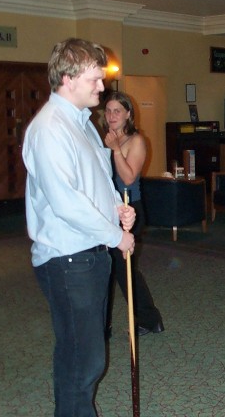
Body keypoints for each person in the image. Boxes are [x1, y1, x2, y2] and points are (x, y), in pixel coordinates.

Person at [22, 38, 136, 416]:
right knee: (81, 361)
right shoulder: (49, 129)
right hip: (68, 259)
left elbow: (96, 182)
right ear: (68, 79)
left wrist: (118, 210)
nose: (102, 87)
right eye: (94, 79)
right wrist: (116, 236)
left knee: (88, 357)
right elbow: (66, 202)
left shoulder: (83, 124)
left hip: (90, 255)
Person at [101, 91, 164, 336]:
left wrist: (116, 150)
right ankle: (102, 325)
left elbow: (128, 178)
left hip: (130, 210)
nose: (112, 115)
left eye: (117, 110)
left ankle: (150, 319)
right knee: (106, 269)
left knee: (124, 270)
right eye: (108, 110)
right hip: (108, 211)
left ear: (128, 114)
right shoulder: (105, 140)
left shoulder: (136, 141)